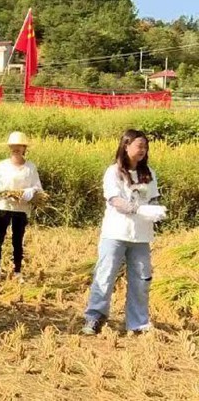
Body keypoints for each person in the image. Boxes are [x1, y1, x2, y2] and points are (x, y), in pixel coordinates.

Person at [82, 130, 167, 336]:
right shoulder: (113, 172)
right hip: (115, 233)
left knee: (141, 279)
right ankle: (94, 318)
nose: (143, 150)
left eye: (145, 147)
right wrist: (138, 209)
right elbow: (114, 200)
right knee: (105, 275)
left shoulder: (149, 173)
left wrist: (156, 209)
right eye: (139, 146)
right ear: (126, 146)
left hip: (141, 236)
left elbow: (153, 197)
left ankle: (137, 323)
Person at [0, 132, 43, 283]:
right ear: (9, 148)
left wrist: (28, 193)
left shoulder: (30, 168)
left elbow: (37, 188)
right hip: (3, 206)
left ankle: (18, 271)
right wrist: (6, 194)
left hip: (21, 208)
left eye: (19, 146)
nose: (16, 149)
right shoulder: (2, 165)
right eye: (13, 146)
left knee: (17, 240)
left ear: (24, 148)